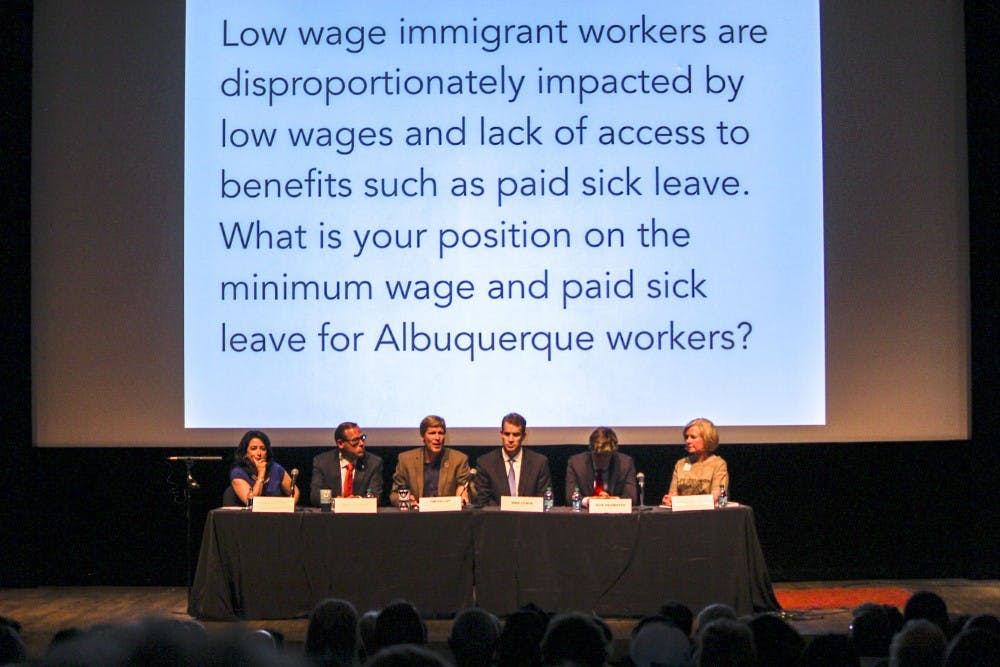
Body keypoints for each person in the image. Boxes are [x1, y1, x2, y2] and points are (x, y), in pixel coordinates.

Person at [473, 413, 552, 506]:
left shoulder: (539, 463)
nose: (510, 439)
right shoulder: (485, 463)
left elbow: (544, 501)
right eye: (507, 434)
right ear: (501, 434)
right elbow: (482, 503)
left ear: (523, 436)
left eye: (515, 435)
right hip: (496, 518)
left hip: (529, 518)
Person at [390, 415, 470, 506]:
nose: (437, 438)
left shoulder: (459, 459)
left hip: (447, 515)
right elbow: (395, 494)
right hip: (416, 515)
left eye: (441, 433)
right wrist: (405, 500)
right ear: (422, 436)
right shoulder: (406, 460)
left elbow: (464, 487)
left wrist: (464, 495)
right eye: (432, 433)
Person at [310, 422, 384, 506]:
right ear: (340, 443)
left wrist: (356, 501)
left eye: (362, 438)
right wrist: (337, 502)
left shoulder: (373, 463)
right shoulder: (322, 462)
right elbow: (315, 496)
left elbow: (376, 496)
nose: (362, 444)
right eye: (355, 440)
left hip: (361, 516)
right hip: (332, 516)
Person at [662, 418, 729, 508]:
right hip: (682, 515)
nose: (688, 441)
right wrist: (669, 500)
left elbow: (717, 497)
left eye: (693, 437)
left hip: (708, 515)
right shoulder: (681, 464)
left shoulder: (718, 464)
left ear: (707, 438)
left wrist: (681, 502)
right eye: (686, 437)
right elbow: (673, 495)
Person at [564, 426, 638, 507]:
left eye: (606, 455)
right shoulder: (576, 464)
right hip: (585, 517)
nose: (602, 460)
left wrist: (610, 501)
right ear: (590, 450)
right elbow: (570, 497)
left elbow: (631, 498)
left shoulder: (625, 464)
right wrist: (589, 501)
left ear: (613, 452)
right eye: (597, 455)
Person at [229, 430, 299, 506]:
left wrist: (287, 508)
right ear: (245, 453)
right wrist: (261, 474)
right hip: (248, 516)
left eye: (263, 449)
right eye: (254, 448)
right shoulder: (238, 473)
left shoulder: (275, 468)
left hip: (276, 514)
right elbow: (251, 503)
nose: (259, 453)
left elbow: (295, 492)